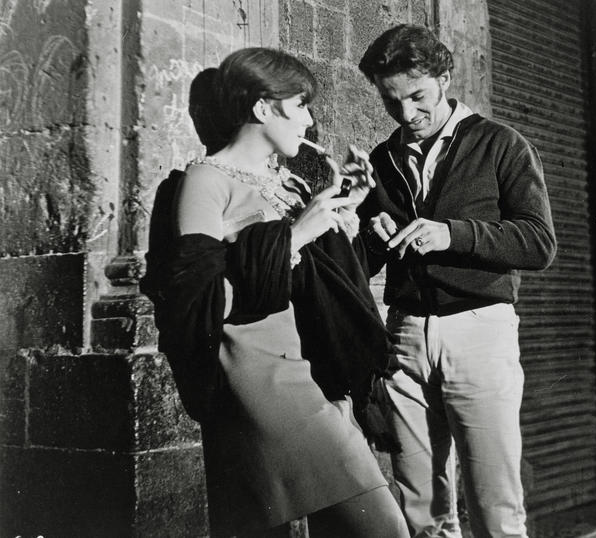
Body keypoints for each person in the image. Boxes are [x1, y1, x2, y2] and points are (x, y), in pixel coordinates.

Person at [139, 47, 408, 538]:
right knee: (383, 528)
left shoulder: (290, 183)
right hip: (262, 382)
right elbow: (195, 302)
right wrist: (299, 234)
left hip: (318, 374)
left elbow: (330, 286)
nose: (308, 121)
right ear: (263, 108)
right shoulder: (205, 180)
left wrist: (347, 209)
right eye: (300, 104)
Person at [356, 24, 557, 538]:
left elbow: (539, 243)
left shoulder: (501, 144)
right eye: (391, 101)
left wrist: (453, 235)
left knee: (495, 505)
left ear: (446, 78)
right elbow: (363, 263)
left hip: (479, 329)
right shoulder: (382, 160)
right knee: (421, 509)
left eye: (418, 96)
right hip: (405, 334)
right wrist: (372, 237)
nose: (407, 114)